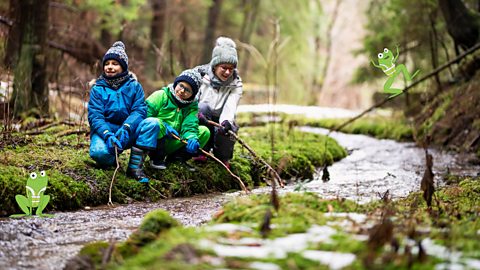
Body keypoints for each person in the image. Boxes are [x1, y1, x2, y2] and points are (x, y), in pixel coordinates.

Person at [126, 69, 210, 182]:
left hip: (174, 141)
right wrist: (164, 127)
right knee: (154, 123)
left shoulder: (191, 106)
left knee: (204, 131)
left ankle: (177, 159)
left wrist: (192, 138)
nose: (182, 91)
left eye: (188, 90)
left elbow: (190, 125)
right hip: (153, 140)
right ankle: (144, 163)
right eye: (181, 86)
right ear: (176, 83)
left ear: (192, 94)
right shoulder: (161, 95)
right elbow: (144, 116)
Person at [88, 41, 147, 168]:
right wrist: (107, 134)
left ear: (123, 67)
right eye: (107, 64)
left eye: (115, 64)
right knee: (98, 153)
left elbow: (139, 110)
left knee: (150, 126)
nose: (110, 67)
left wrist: (126, 127)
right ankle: (111, 158)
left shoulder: (135, 86)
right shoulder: (97, 88)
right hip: (105, 131)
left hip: (128, 130)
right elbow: (95, 116)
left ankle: (135, 167)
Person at [193, 36, 243, 168]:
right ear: (215, 65)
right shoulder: (200, 75)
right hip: (200, 115)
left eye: (231, 68)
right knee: (202, 108)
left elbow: (230, 107)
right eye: (224, 67)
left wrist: (225, 122)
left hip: (221, 119)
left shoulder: (236, 84)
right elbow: (191, 100)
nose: (228, 72)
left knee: (229, 127)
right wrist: (195, 113)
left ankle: (223, 157)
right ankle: (201, 150)